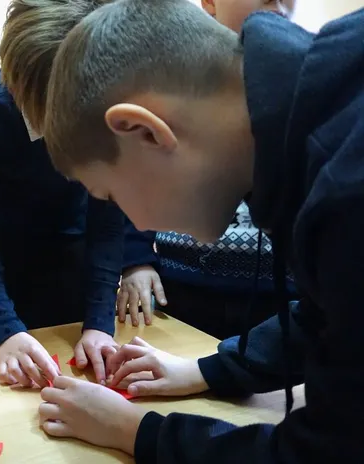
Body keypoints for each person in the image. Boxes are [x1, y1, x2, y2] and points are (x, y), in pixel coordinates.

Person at [37, 0, 364, 464]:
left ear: (145, 132)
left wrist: (136, 430)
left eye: (111, 194)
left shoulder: (347, 186)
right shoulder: (312, 104)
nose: (139, 225)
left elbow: (327, 455)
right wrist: (208, 371)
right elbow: (328, 316)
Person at [0, 0, 136, 387]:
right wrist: (7, 330)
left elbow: (108, 226)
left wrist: (99, 324)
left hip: (70, 274)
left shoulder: (107, 107)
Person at [118, 0, 299, 340]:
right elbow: (138, 168)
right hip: (183, 289)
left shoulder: (307, 71)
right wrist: (136, 258)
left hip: (280, 296)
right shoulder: (167, 75)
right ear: (210, 2)